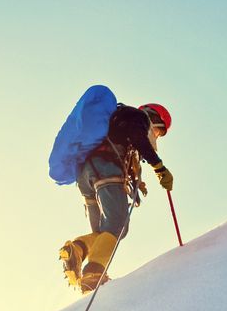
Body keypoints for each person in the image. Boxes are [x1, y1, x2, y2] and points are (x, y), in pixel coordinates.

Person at [59, 103, 174, 293]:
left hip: (86, 175)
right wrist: (159, 167)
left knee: (103, 232)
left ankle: (77, 249)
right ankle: (93, 274)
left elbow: (129, 144)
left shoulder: (117, 120)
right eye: (159, 132)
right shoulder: (138, 117)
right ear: (155, 119)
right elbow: (139, 138)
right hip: (106, 167)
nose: (156, 136)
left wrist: (137, 180)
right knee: (118, 224)